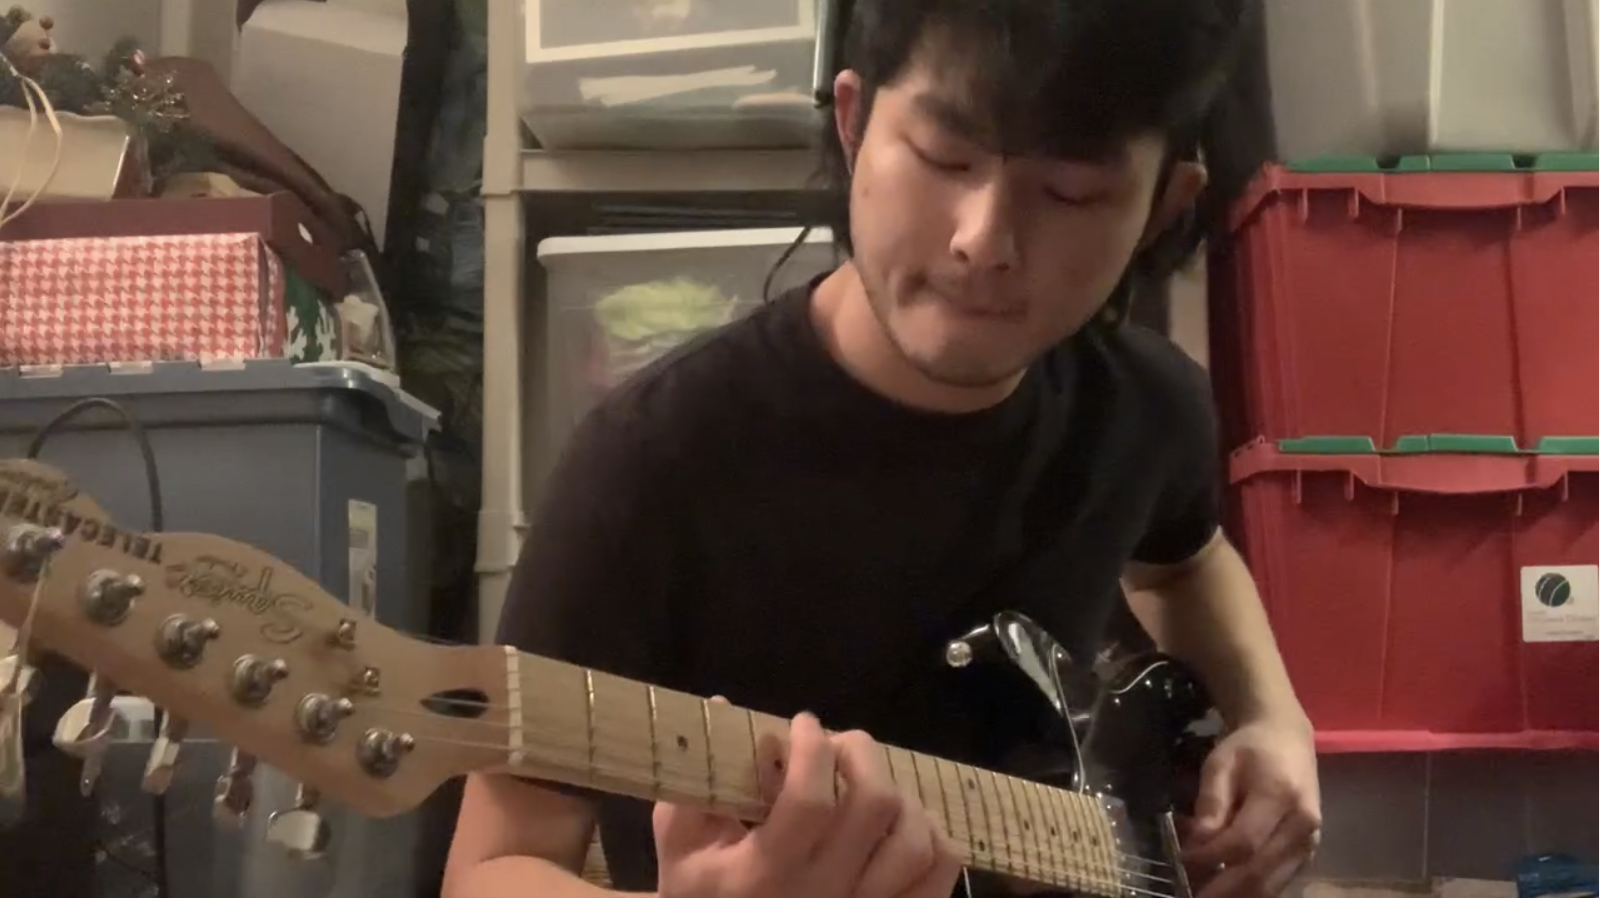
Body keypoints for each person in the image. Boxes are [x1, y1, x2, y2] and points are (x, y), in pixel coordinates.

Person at [443, 0, 1322, 896]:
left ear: (1163, 204)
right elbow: (491, 868)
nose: (985, 240)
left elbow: (1184, 562)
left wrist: (1274, 720)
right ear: (854, 122)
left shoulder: (1148, 404)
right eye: (945, 158)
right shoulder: (651, 468)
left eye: (1071, 191)